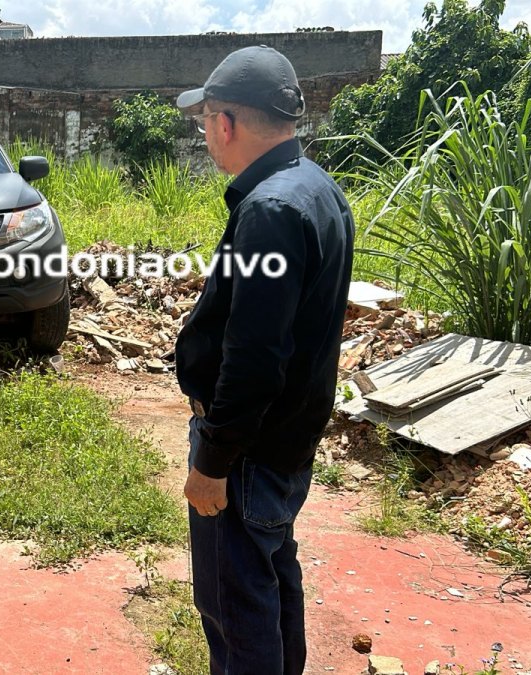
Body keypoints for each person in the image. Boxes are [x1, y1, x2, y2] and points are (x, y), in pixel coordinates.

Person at [174, 46, 355, 673]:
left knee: (235, 602)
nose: (206, 135)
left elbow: (253, 359)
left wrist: (212, 460)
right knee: (272, 575)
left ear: (225, 122)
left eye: (205, 122)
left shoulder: (271, 210)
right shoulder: (317, 189)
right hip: (284, 442)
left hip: (248, 453)